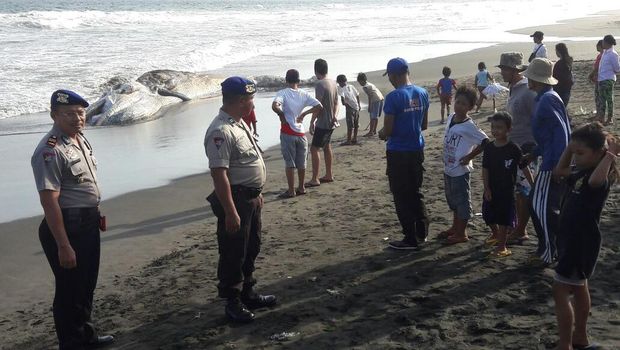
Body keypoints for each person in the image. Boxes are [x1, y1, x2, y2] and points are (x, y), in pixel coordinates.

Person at [31, 90, 114, 349]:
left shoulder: (79, 140)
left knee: (85, 284)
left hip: (87, 222)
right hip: (67, 226)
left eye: (81, 113)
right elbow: (49, 201)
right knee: (69, 288)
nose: (78, 118)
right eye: (69, 114)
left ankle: (85, 336)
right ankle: (71, 342)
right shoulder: (50, 150)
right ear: (54, 115)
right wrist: (63, 245)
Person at [204, 76, 276, 323]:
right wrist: (231, 211)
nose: (252, 105)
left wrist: (257, 194)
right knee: (234, 251)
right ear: (239, 101)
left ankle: (248, 292)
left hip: (250, 199)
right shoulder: (220, 131)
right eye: (249, 100)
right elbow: (219, 175)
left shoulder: (239, 123)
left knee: (251, 246)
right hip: (236, 199)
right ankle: (232, 302)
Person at [551, 123, 618, 350]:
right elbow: (558, 172)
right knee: (579, 288)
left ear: (598, 153)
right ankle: (580, 337)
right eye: (575, 153)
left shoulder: (599, 177)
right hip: (571, 240)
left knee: (560, 289)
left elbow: (596, 182)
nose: (576, 158)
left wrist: (609, 156)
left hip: (581, 242)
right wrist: (570, 148)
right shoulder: (580, 171)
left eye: (581, 153)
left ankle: (565, 343)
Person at [377, 57, 430, 250]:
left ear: (394, 75)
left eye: (390, 76)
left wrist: (381, 134)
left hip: (398, 151)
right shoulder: (422, 93)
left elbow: (388, 129)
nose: (390, 79)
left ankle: (410, 237)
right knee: (415, 192)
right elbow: (423, 124)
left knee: (401, 195)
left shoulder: (394, 97)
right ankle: (422, 231)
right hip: (416, 148)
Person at [522, 58, 571, 265]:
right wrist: (534, 154)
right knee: (541, 205)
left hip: (552, 163)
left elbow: (562, 134)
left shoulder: (547, 100)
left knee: (540, 207)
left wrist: (559, 165)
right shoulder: (546, 97)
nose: (528, 81)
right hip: (549, 158)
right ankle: (551, 249)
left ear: (536, 80)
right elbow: (550, 135)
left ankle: (547, 252)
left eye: (530, 78)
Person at [496, 52, 538, 244]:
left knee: (524, 192)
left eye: (504, 69)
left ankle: (521, 230)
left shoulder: (527, 91)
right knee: (517, 191)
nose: (502, 72)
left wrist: (533, 149)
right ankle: (518, 226)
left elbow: (537, 119)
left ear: (514, 70)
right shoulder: (513, 88)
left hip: (526, 149)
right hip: (514, 147)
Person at [440, 85, 489, 244]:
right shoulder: (451, 117)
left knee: (462, 201)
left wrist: (469, 156)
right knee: (453, 200)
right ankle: (455, 228)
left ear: (470, 107)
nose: (459, 106)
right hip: (449, 168)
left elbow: (485, 142)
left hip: (460, 170)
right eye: (457, 102)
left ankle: (462, 233)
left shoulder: (469, 126)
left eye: (463, 104)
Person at [482, 112, 532, 257]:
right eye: (493, 127)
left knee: (503, 218)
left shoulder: (513, 148)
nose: (495, 130)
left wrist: (532, 183)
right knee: (487, 214)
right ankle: (496, 235)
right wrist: (486, 187)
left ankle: (502, 246)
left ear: (509, 129)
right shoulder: (490, 148)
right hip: (491, 189)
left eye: (499, 127)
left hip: (506, 190)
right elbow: (485, 169)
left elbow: (523, 166)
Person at [272, 69, 323, 198]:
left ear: (286, 80)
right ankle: (301, 187)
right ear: (299, 81)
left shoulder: (283, 93)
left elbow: (275, 105)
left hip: (288, 131)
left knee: (289, 163)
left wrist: (281, 114)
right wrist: (304, 114)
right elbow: (319, 106)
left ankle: (291, 190)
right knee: (301, 163)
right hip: (301, 133)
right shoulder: (304, 94)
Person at [301, 58, 339, 186]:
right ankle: (329, 174)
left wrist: (310, 120)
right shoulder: (333, 82)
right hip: (331, 121)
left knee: (314, 149)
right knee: (327, 146)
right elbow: (336, 103)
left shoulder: (320, 84)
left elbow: (318, 106)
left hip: (323, 122)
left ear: (316, 70)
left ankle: (315, 178)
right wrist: (335, 116)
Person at [596, 34, 620, 125]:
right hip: (601, 79)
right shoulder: (605, 52)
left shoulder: (613, 54)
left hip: (608, 79)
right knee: (602, 99)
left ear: (607, 43)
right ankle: (602, 117)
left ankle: (610, 118)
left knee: (609, 99)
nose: (602, 43)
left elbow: (617, 68)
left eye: (603, 41)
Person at [357, 72, 385, 137]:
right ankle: (374, 130)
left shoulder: (365, 87)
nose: (359, 83)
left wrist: (370, 106)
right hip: (380, 98)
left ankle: (371, 132)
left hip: (375, 100)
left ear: (362, 80)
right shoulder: (370, 84)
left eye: (359, 82)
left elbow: (370, 96)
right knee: (375, 116)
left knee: (372, 117)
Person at [336, 74, 361, 145]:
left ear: (340, 82)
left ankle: (349, 140)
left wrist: (344, 103)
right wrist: (358, 105)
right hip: (356, 107)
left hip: (350, 108)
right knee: (356, 124)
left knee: (350, 125)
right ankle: (355, 138)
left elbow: (342, 99)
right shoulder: (351, 86)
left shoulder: (341, 89)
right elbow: (357, 95)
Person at [589, 40, 604, 117]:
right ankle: (599, 113)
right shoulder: (602, 55)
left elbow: (597, 67)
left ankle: (599, 113)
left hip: (599, 78)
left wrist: (591, 75)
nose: (596, 47)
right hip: (599, 78)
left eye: (597, 46)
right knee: (599, 97)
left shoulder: (601, 56)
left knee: (598, 97)